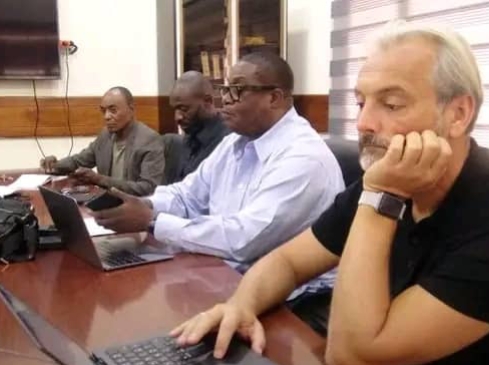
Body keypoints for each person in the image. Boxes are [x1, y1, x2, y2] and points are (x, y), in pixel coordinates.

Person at [170, 20, 489, 365]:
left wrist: (383, 196)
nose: (363, 123)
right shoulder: (389, 177)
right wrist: (241, 305)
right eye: (361, 103)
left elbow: (352, 353)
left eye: (391, 104)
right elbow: (287, 262)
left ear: (458, 114)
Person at [92, 52, 345, 331]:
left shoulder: (303, 157)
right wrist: (142, 205)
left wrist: (151, 222)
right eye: (225, 89)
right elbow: (186, 195)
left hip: (297, 302)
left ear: (274, 98)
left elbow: (244, 239)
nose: (225, 99)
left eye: (237, 90)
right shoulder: (234, 143)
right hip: (230, 276)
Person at [40, 87, 164, 196]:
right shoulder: (106, 135)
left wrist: (99, 179)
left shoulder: (149, 140)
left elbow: (147, 188)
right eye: (104, 111)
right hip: (107, 201)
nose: (106, 116)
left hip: (135, 207)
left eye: (113, 110)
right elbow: (78, 161)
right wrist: (54, 165)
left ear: (131, 109)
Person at [166, 71, 230, 183]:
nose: (177, 117)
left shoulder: (228, 141)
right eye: (175, 110)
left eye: (184, 109)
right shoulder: (188, 138)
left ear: (208, 101)